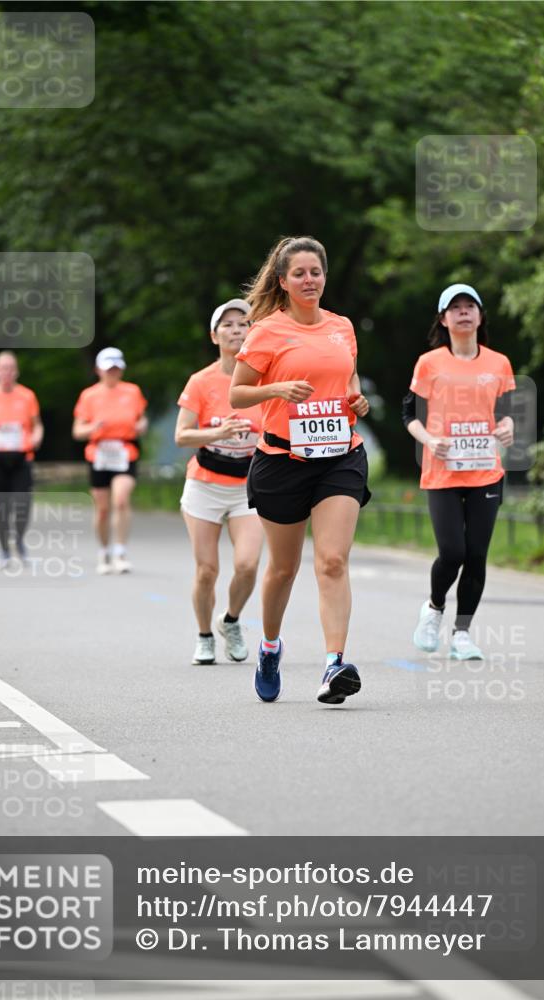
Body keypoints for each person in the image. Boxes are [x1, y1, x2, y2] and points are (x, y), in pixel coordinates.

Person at [229, 236, 371, 706]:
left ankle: (334, 665)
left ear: (324, 276)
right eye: (299, 274)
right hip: (282, 461)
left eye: (316, 272)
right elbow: (238, 393)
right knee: (283, 568)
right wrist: (277, 390)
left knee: (332, 561)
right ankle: (270, 647)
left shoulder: (342, 327)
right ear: (284, 281)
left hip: (340, 455)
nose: (309, 280)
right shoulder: (267, 331)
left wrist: (356, 399)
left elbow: (349, 376)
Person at [403, 283, 515, 660]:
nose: (463, 312)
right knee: (453, 552)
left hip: (485, 472)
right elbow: (409, 414)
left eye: (470, 306)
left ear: (480, 316)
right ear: (443, 319)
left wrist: (508, 427)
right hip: (443, 472)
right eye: (455, 307)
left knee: (477, 555)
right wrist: (429, 440)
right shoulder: (429, 363)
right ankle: (434, 607)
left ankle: (462, 633)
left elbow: (506, 412)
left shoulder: (498, 363)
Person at [175, 299, 264, 665]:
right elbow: (182, 436)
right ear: (215, 336)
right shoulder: (201, 381)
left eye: (243, 324)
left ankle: (230, 620)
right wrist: (219, 432)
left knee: (247, 564)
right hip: (205, 485)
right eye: (227, 324)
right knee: (207, 570)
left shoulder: (264, 380)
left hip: (247, 485)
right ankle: (204, 636)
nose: (236, 330)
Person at [73, 347, 148, 575]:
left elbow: (142, 419)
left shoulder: (132, 392)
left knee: (121, 499)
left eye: (116, 368)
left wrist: (141, 426)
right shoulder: (89, 395)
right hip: (99, 454)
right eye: (108, 369)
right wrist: (92, 428)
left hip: (125, 452)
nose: (112, 373)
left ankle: (120, 552)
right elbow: (77, 431)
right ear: (98, 370)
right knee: (103, 509)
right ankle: (104, 551)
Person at [0, 352, 43, 569]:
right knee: (2, 508)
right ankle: (4, 549)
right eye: (3, 368)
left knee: (23, 505)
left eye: (11, 368)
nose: (7, 372)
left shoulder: (27, 396)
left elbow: (37, 425)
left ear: (17, 372)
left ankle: (19, 540)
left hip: (22, 458)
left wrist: (37, 436)